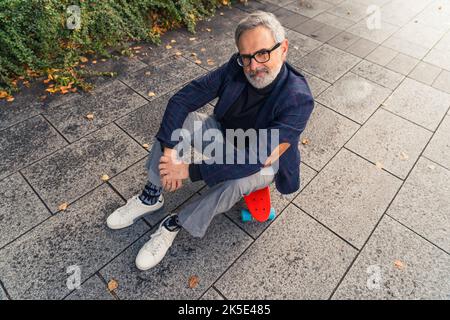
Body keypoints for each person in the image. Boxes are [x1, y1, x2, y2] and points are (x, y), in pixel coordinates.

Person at [106, 11, 314, 271]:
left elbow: (255, 159)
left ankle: (177, 222)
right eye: (246, 57)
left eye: (262, 54)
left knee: (239, 179)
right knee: (185, 121)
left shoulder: (298, 99)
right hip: (225, 137)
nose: (253, 66)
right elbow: (183, 99)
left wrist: (189, 170)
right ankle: (152, 195)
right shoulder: (236, 67)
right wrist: (170, 153)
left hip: (263, 162)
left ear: (283, 48)